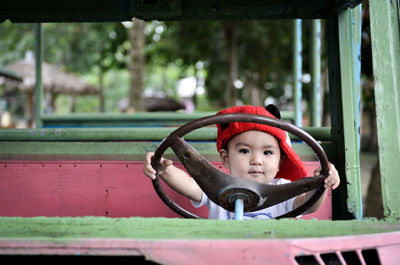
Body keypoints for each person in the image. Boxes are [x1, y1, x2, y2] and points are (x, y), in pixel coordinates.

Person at [143, 105, 340, 219]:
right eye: (245, 151)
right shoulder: (216, 186)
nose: (256, 160)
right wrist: (164, 171)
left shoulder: (284, 190)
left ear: (281, 161)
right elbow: (189, 185)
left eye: (268, 152)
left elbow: (309, 204)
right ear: (226, 159)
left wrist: (320, 184)